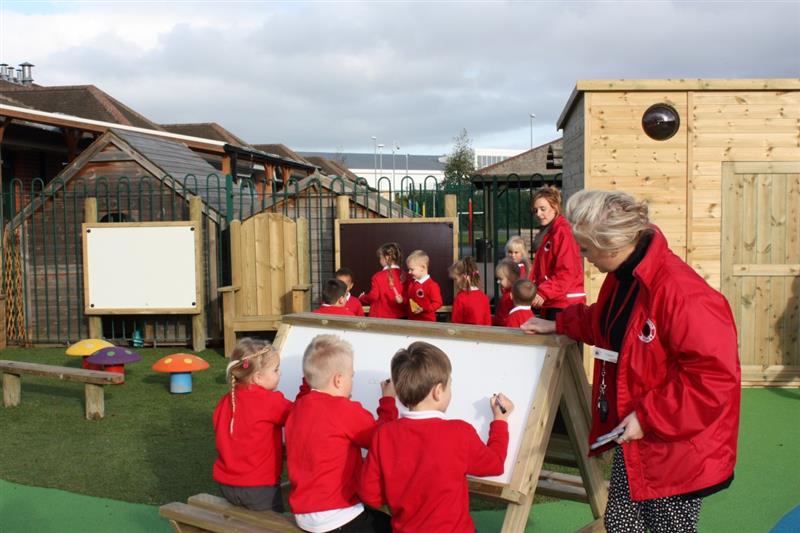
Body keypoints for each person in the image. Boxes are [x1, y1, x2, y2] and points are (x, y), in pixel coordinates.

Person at [522, 190, 740, 533]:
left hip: (675, 449)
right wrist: (559, 322)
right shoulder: (626, 277)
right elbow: (607, 321)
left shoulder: (682, 294)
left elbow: (713, 381)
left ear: (610, 245)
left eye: (587, 248)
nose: (583, 257)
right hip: (639, 437)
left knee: (666, 528)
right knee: (622, 524)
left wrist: (650, 416)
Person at [359, 341, 513, 533]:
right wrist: (500, 420)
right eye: (449, 385)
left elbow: (370, 494)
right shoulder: (459, 433)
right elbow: (495, 464)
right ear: (438, 391)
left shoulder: (384, 434)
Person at [286, 334, 397, 533]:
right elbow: (383, 437)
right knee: (398, 527)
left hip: (304, 514)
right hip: (337, 515)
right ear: (338, 380)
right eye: (351, 376)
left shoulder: (298, 406)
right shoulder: (344, 410)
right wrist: (388, 400)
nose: (352, 381)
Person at [212, 338, 292, 512]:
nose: (280, 374)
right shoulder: (270, 401)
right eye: (276, 370)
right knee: (272, 527)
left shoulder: (226, 401)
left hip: (227, 485)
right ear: (257, 377)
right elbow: (299, 416)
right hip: (259, 487)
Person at [530, 186, 586, 320]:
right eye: (536, 210)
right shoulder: (550, 232)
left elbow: (567, 272)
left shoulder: (563, 232)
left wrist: (543, 292)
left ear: (555, 207)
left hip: (565, 304)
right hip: (555, 301)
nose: (538, 214)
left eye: (543, 209)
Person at [359, 242, 407, 319]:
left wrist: (362, 297)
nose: (379, 260)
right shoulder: (407, 276)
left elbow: (373, 297)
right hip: (403, 316)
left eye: (380, 257)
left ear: (387, 257)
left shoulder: (378, 277)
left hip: (381, 317)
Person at [449, 256, 492, 326]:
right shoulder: (484, 297)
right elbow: (487, 321)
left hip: (466, 334)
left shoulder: (460, 298)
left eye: (455, 279)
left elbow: (456, 322)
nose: (455, 283)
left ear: (464, 277)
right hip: (483, 334)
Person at [405, 249, 443, 322]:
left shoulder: (432, 285)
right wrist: (402, 300)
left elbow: (438, 303)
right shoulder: (412, 283)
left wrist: (424, 308)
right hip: (412, 321)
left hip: (427, 322)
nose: (409, 272)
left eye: (411, 269)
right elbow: (409, 299)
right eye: (408, 269)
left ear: (423, 267)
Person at [491, 258, 520, 327]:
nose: (498, 282)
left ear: (511, 278)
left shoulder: (508, 297)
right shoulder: (513, 294)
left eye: (500, 279)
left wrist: (490, 319)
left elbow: (503, 319)